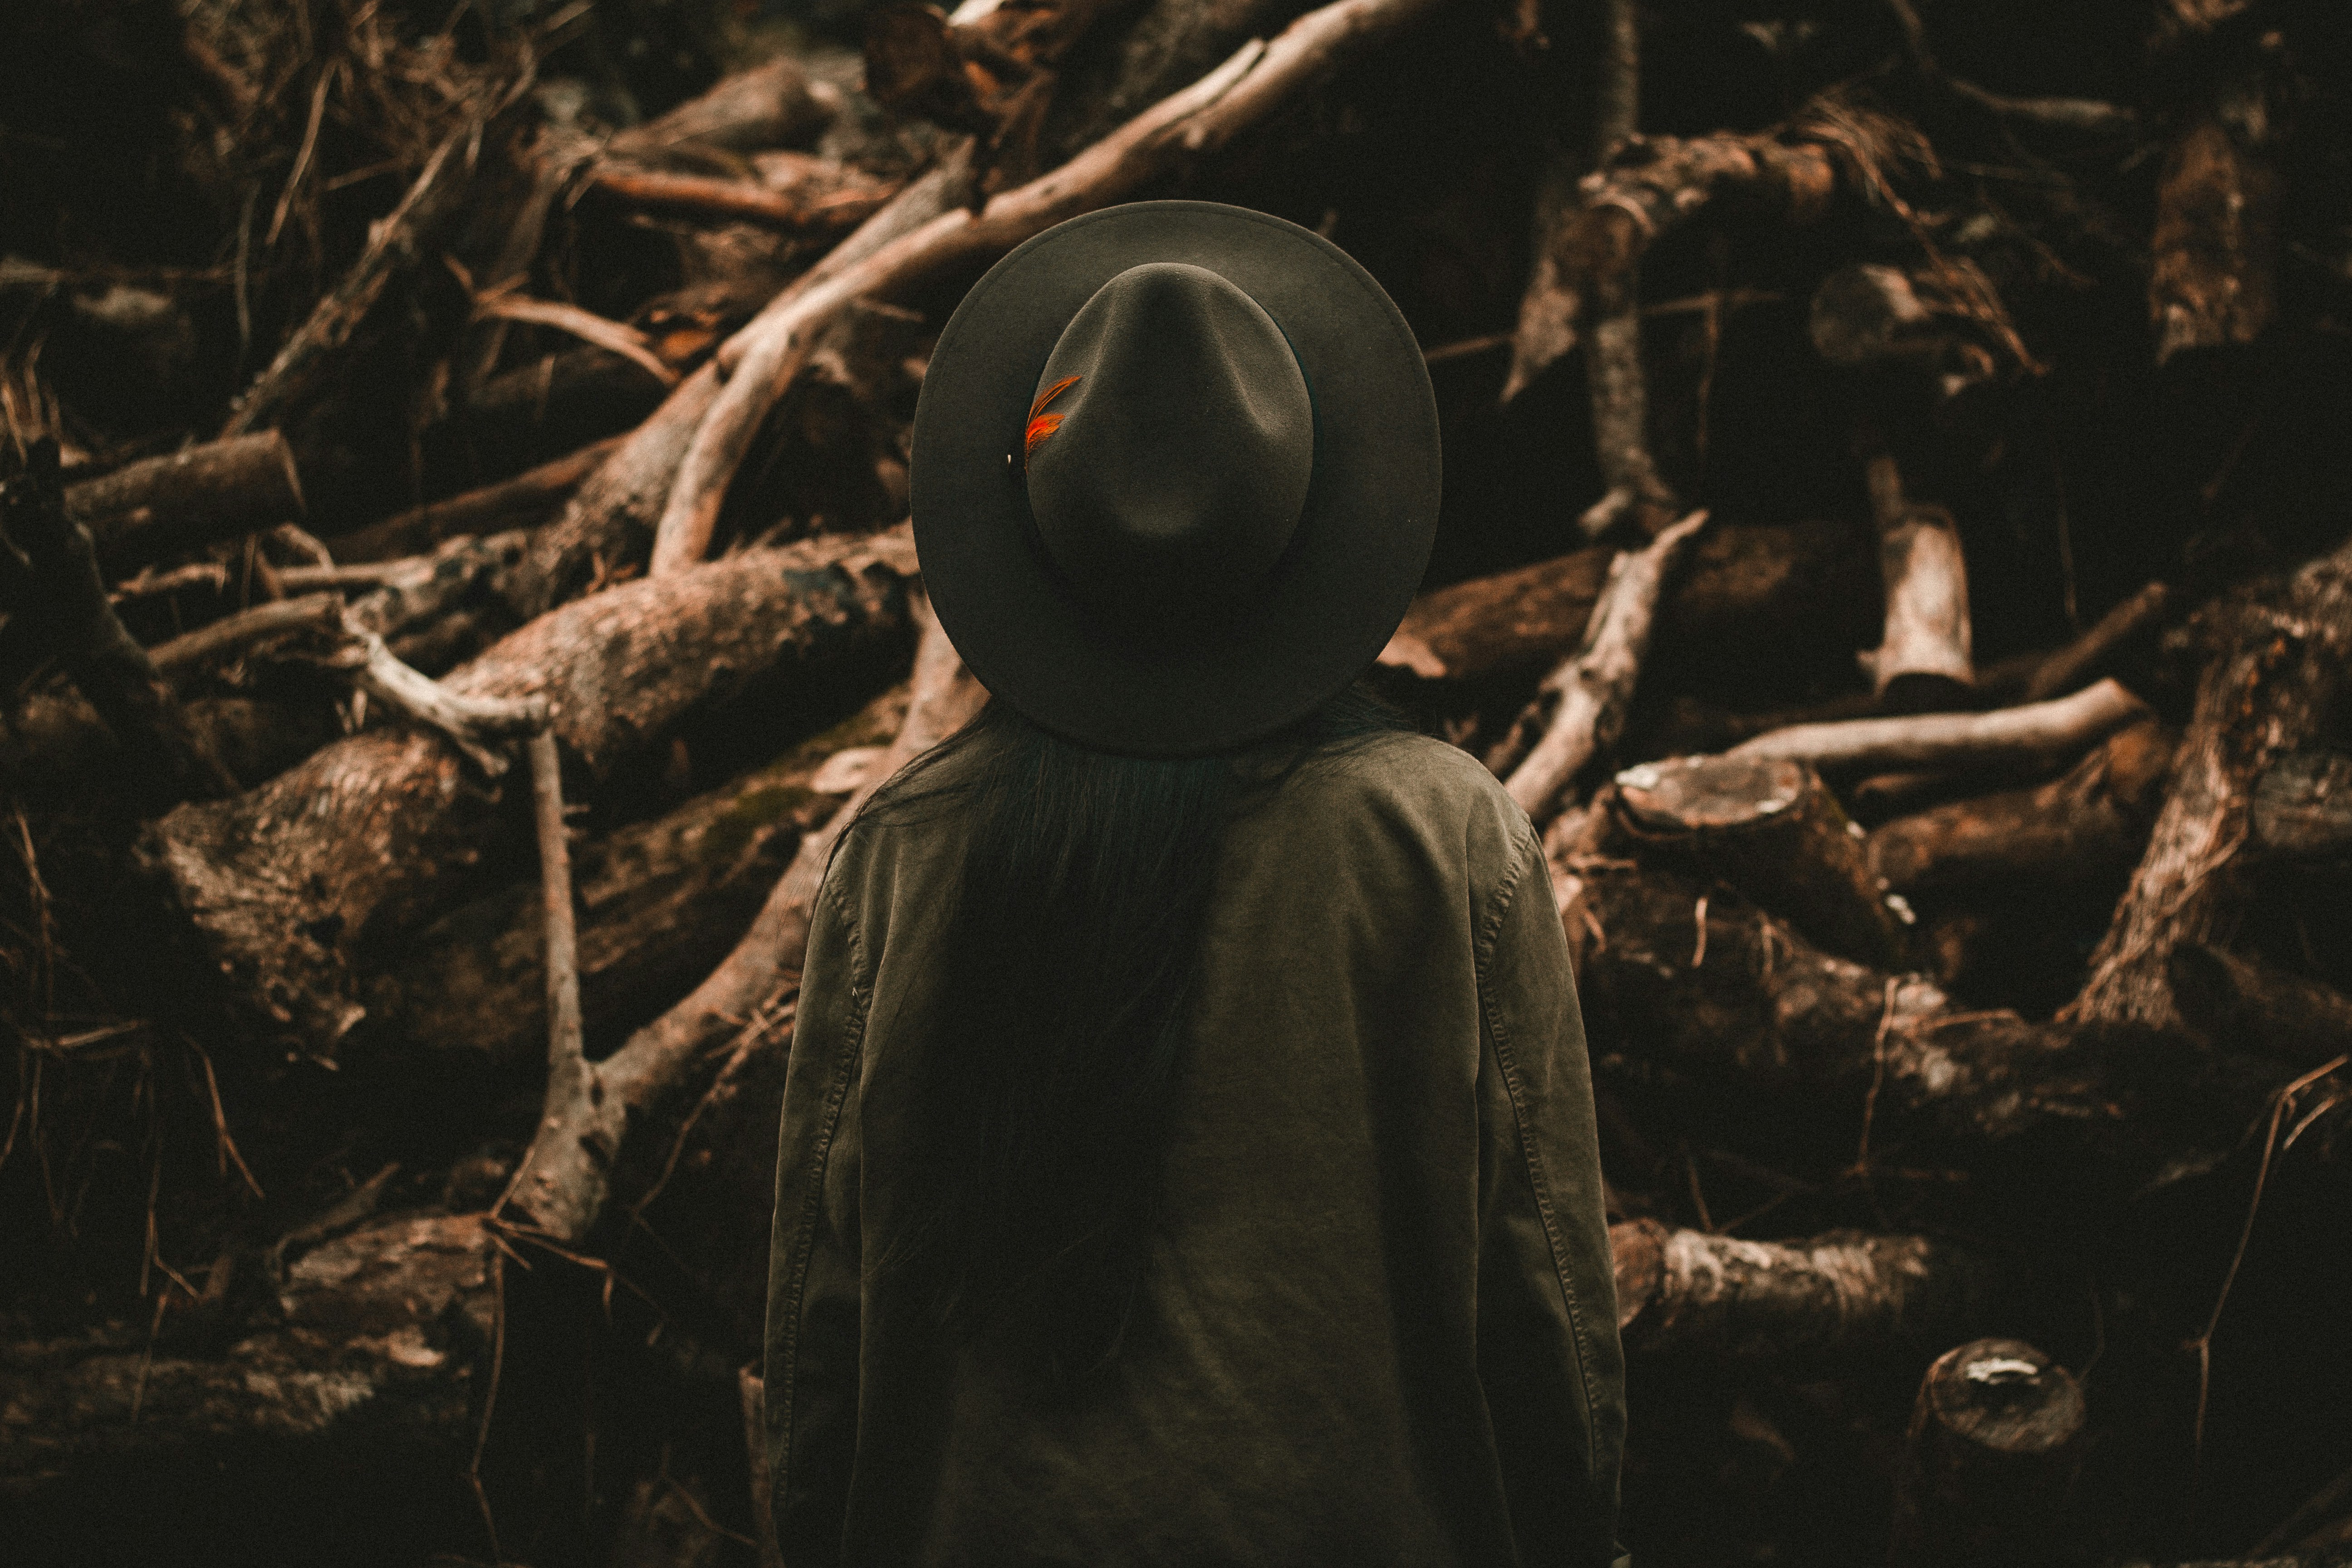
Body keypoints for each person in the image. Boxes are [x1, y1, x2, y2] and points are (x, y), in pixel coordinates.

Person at [763, 200, 1628, 1568]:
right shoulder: (1447, 839)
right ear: (1322, 508)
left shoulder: (899, 854)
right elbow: (1547, 1293)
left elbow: (823, 1324)